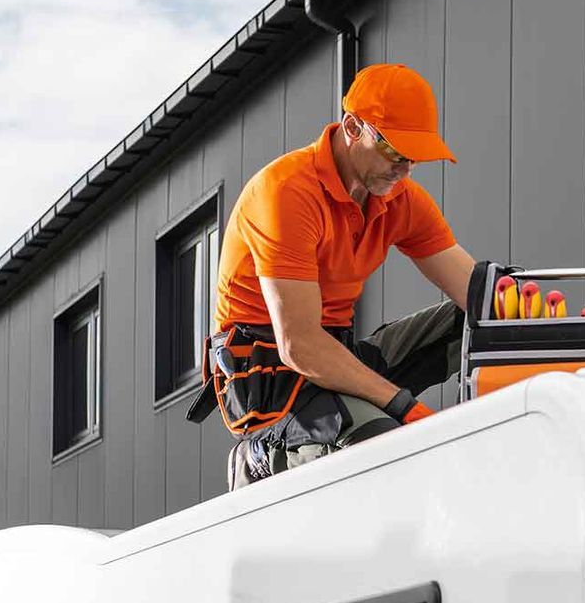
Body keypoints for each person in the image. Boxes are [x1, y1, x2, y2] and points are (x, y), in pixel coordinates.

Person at [194, 63, 478, 487]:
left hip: (335, 361)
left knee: (479, 320)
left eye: (413, 157)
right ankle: (258, 454)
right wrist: (403, 407)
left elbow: (477, 290)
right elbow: (300, 345)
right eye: (394, 151)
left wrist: (551, 324)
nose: (405, 169)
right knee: (380, 442)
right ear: (351, 127)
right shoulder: (286, 193)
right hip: (276, 387)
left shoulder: (400, 199)